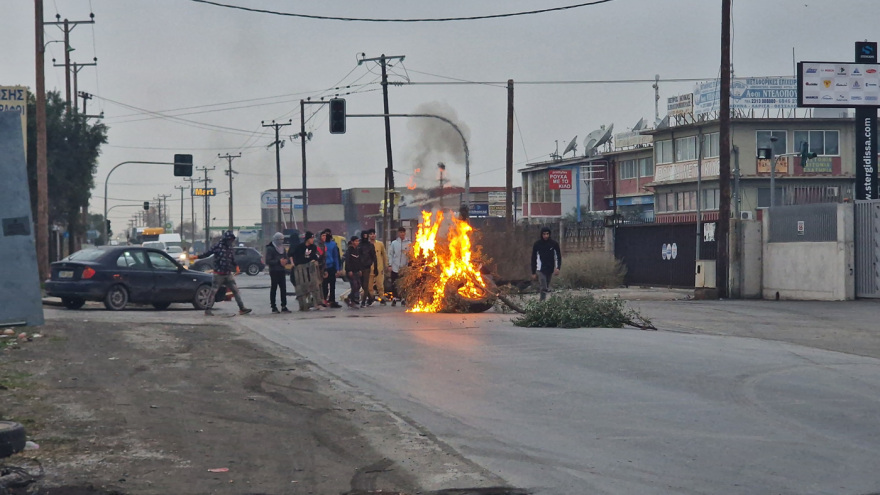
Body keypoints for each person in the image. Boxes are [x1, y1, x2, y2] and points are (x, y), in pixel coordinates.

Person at [199, 230, 252, 316]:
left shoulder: (230, 248)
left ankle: (242, 308)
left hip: (228, 273)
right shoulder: (218, 246)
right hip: (218, 274)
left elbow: (231, 259)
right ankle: (207, 310)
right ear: (226, 239)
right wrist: (197, 257)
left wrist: (236, 266)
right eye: (230, 240)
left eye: (232, 240)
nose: (231, 241)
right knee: (213, 292)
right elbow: (207, 253)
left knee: (235, 290)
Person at [291, 231, 323, 311]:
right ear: (307, 239)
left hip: (311, 270)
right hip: (301, 271)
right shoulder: (300, 247)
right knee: (302, 288)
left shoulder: (313, 247)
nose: (312, 240)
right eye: (311, 238)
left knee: (314, 286)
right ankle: (303, 305)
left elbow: (315, 256)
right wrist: (306, 261)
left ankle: (316, 303)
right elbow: (298, 258)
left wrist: (314, 260)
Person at [531, 226, 562, 301]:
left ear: (549, 234)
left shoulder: (554, 244)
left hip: (550, 268)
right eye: (544, 234)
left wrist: (558, 268)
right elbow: (533, 258)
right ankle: (542, 302)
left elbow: (558, 256)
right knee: (544, 286)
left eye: (547, 234)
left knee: (546, 286)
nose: (546, 236)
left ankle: (543, 301)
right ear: (541, 234)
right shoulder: (537, 244)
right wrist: (533, 272)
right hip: (540, 269)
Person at [264, 232, 291, 313]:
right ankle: (273, 306)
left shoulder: (282, 248)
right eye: (280, 239)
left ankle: (284, 305)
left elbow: (286, 258)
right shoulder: (270, 248)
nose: (281, 241)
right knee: (274, 288)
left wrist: (286, 261)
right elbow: (268, 261)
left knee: (283, 289)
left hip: (282, 270)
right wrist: (278, 261)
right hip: (274, 271)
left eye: (282, 239)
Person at [388, 226, 411, 307]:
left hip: (404, 267)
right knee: (394, 283)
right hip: (395, 266)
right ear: (398, 233)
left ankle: (403, 299)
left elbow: (410, 255)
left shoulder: (408, 243)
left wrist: (409, 265)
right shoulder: (394, 243)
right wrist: (390, 264)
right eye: (400, 232)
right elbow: (390, 254)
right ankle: (394, 298)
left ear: (405, 233)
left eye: (403, 232)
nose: (402, 234)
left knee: (403, 284)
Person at [321, 229, 342, 308]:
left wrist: (337, 269)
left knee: (332, 285)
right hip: (323, 267)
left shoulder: (333, 244)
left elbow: (336, 257)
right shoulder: (321, 245)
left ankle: (332, 300)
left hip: (331, 267)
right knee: (324, 285)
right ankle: (324, 300)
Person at [368, 229, 388, 305]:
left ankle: (382, 298)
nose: (372, 235)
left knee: (380, 284)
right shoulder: (367, 245)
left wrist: (386, 265)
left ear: (375, 235)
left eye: (373, 234)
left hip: (379, 268)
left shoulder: (380, 244)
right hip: (370, 268)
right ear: (368, 235)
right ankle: (371, 298)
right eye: (371, 234)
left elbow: (384, 255)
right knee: (370, 285)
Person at [358, 230, 378, 307]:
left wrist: (375, 268)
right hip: (359, 267)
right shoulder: (359, 245)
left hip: (367, 267)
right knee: (362, 284)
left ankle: (363, 301)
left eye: (366, 235)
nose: (365, 237)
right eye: (364, 235)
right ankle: (370, 298)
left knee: (365, 285)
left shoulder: (370, 245)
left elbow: (374, 257)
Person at [344, 236, 362, 308]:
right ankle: (352, 300)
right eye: (356, 241)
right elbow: (347, 261)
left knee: (358, 285)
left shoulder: (357, 250)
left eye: (358, 241)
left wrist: (360, 269)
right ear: (352, 242)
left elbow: (359, 261)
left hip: (357, 271)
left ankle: (349, 298)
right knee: (354, 285)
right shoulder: (349, 251)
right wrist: (349, 270)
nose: (357, 242)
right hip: (351, 271)